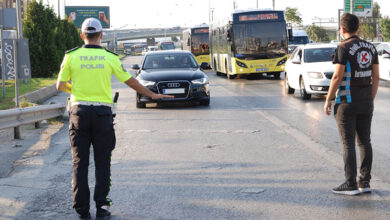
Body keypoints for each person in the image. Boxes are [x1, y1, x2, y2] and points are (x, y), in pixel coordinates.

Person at [56, 18, 173, 219]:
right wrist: (152, 95)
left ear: (82, 35)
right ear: (101, 35)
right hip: (102, 115)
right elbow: (130, 81)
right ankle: (102, 206)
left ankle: (81, 208)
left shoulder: (71, 56)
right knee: (103, 162)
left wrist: (77, 90)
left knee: (79, 162)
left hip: (79, 114)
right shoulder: (109, 57)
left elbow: (60, 85)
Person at [324, 13, 379, 196]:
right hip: (365, 102)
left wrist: (328, 99)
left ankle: (350, 183)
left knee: (348, 144)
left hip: (347, 102)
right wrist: (370, 98)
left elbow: (337, 77)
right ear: (358, 28)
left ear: (343, 29)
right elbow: (376, 76)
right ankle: (365, 182)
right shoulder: (371, 47)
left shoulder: (343, 47)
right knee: (365, 142)